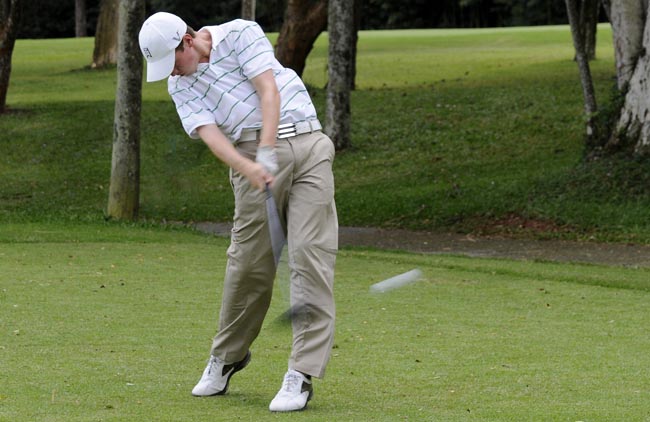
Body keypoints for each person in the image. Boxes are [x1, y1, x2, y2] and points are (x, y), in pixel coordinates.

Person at [138, 12, 338, 412]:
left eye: (173, 60)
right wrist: (252, 165)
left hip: (308, 143)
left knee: (310, 257)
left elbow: (268, 91)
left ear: (187, 42)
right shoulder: (180, 85)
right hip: (248, 154)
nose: (172, 72)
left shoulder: (240, 33)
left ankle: (301, 372)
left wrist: (267, 152)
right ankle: (227, 357)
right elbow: (212, 135)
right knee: (249, 265)